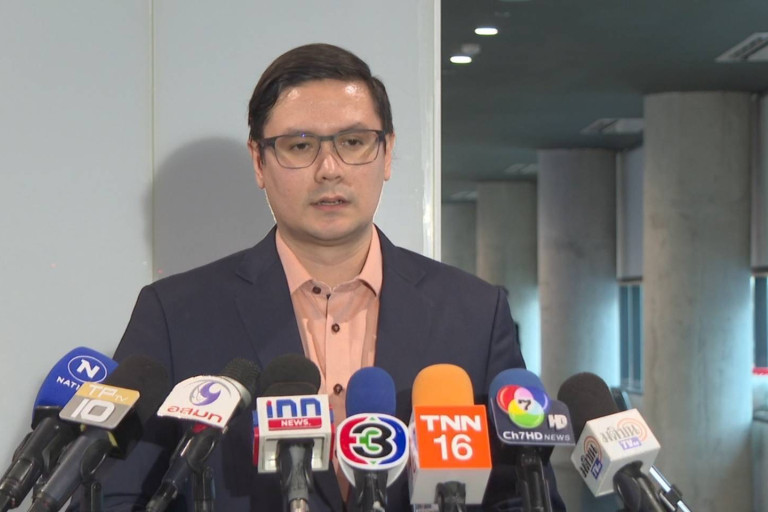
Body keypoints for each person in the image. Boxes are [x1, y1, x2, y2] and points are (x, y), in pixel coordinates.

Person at [78, 43, 565, 511]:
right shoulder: (175, 314)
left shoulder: (474, 313)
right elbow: (115, 496)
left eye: (353, 142)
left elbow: (522, 495)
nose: (329, 169)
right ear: (259, 161)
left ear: (387, 153)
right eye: (300, 145)